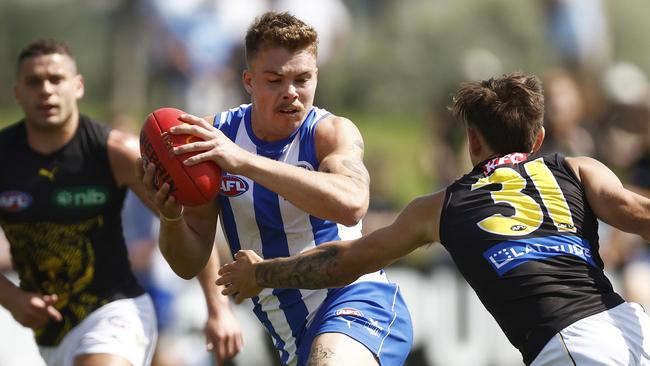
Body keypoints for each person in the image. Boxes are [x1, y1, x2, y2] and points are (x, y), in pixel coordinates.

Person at [217, 72, 650, 365]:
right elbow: (640, 214)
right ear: (537, 138)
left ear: (473, 141)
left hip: (569, 345)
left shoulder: (442, 207)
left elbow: (345, 262)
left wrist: (263, 272)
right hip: (631, 326)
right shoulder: (577, 168)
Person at [138, 11, 413, 366]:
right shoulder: (213, 138)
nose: (291, 93)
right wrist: (171, 217)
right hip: (290, 336)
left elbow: (352, 203)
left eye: (303, 79)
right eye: (274, 80)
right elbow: (188, 263)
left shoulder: (329, 133)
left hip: (356, 304)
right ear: (249, 81)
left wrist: (243, 161)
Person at [0, 39, 242, 366]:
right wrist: (11, 297)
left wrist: (218, 308)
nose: (46, 90)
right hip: (50, 332)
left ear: (78, 86)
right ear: (17, 93)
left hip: (115, 311)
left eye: (56, 79)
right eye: (33, 81)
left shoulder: (115, 152)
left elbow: (190, 225)